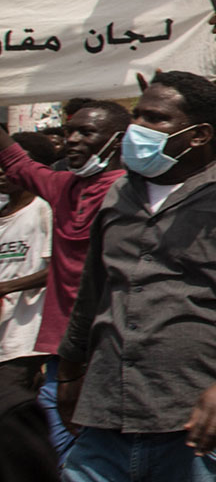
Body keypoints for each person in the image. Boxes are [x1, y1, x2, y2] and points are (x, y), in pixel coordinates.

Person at [58, 71, 216, 482]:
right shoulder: (119, 194)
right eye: (137, 115)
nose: (137, 127)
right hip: (109, 414)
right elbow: (95, 291)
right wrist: (70, 370)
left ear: (198, 134)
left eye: (155, 119)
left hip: (205, 419)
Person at [0, 101, 129, 461]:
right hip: (64, 350)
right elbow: (15, 160)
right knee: (59, 451)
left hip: (115, 349)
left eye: (86, 133)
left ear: (118, 141)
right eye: (70, 131)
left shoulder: (133, 193)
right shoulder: (63, 186)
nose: (72, 140)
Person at [0, 132, 57, 481]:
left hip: (25, 335)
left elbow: (57, 269)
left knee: (13, 411)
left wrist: (9, 286)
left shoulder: (44, 210)